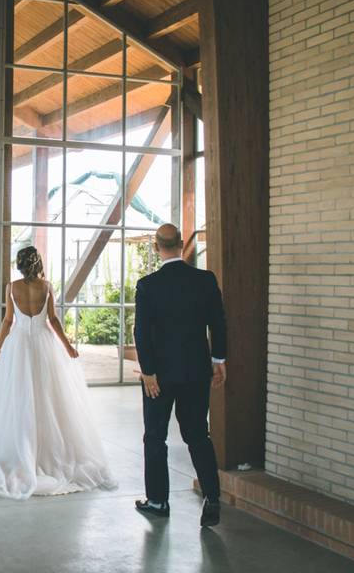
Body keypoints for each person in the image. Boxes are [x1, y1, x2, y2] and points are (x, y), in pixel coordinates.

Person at [0, 246, 117, 499]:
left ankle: (20, 449)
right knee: (48, 397)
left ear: (19, 264)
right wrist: (68, 346)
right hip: (44, 344)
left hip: (18, 344)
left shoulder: (12, 287)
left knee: (16, 398)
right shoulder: (47, 286)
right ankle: (46, 451)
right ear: (37, 262)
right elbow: (53, 320)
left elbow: (8, 321)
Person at [133, 223, 227, 527]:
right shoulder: (204, 280)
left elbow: (141, 332)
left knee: (155, 437)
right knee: (198, 434)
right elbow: (219, 323)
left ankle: (158, 501)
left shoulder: (148, 285)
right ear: (182, 243)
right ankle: (212, 499)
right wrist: (219, 360)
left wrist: (148, 372)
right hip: (196, 372)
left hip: (159, 377)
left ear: (157, 247)